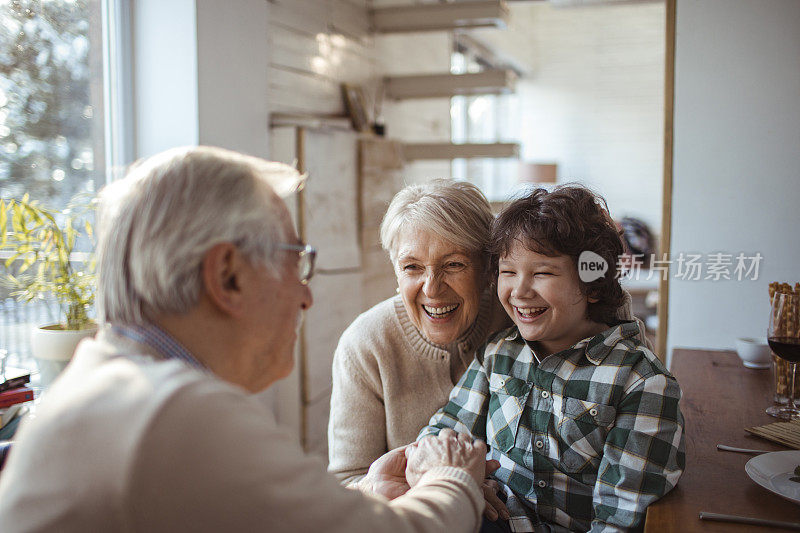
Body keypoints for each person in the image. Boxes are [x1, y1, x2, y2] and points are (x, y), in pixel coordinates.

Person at [0, 146, 492, 533]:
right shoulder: (175, 412)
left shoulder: (112, 380)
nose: (306, 297)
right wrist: (455, 475)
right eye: (293, 261)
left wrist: (365, 492)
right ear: (228, 276)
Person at [327, 181, 652, 500]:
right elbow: (348, 482)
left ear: (488, 268)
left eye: (453, 265)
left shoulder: (524, 312)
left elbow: (607, 326)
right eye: (411, 267)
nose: (431, 289)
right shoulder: (366, 344)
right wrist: (451, 486)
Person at [418, 186, 685, 533]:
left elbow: (621, 523)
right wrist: (460, 481)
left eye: (542, 273)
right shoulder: (499, 353)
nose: (519, 291)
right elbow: (443, 434)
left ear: (592, 283)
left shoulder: (643, 383)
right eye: (508, 272)